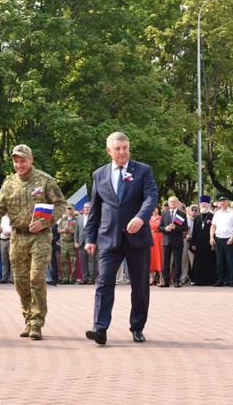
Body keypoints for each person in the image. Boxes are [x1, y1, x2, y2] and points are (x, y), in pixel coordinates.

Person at [84, 132, 158, 346]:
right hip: (109, 238)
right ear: (109, 151)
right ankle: (100, 329)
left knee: (140, 286)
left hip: (138, 237)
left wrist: (141, 218)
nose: (122, 152)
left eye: (125, 147)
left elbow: (151, 197)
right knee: (104, 283)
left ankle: (137, 326)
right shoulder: (99, 174)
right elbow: (95, 209)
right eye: (117, 148)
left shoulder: (143, 171)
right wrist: (90, 237)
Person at [0, 145, 66, 341]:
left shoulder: (44, 180)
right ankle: (28, 319)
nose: (19, 164)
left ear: (31, 160)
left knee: (36, 277)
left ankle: (37, 322)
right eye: (16, 161)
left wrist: (45, 222)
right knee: (21, 281)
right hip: (17, 237)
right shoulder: (9, 184)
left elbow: (60, 204)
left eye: (22, 160)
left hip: (40, 237)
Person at [210, 193, 233, 287]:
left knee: (230, 261)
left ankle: (231, 280)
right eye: (221, 201)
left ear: (228, 201)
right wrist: (211, 237)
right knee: (219, 261)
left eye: (224, 201)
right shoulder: (217, 213)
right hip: (218, 238)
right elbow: (213, 226)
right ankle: (220, 280)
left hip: (228, 238)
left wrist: (232, 238)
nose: (222, 203)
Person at [159, 197, 188, 288]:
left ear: (177, 203)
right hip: (166, 241)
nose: (172, 203)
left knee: (177, 262)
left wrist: (176, 228)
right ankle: (166, 281)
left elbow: (185, 228)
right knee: (165, 262)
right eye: (171, 202)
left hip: (177, 241)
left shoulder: (182, 214)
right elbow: (160, 227)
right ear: (168, 203)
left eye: (174, 202)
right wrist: (165, 229)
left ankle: (177, 281)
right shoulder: (164, 214)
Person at [191, 197, 217, 286]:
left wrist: (213, 242)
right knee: (199, 261)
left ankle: (210, 280)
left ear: (208, 205)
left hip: (209, 243)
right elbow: (194, 232)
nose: (204, 205)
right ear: (200, 206)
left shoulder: (213, 216)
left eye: (205, 204)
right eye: (202, 204)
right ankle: (199, 280)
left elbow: (215, 230)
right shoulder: (197, 218)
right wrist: (193, 243)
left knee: (210, 261)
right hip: (199, 243)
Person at [76, 202, 97, 285]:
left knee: (92, 261)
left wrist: (95, 242)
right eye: (85, 207)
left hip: (91, 242)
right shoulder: (79, 218)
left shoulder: (94, 217)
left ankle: (92, 278)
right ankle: (85, 278)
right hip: (81, 243)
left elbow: (97, 230)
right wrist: (76, 241)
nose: (86, 209)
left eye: (88, 207)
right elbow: (77, 231)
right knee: (83, 261)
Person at [58, 206, 78, 284]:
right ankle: (65, 278)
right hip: (64, 243)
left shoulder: (77, 220)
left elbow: (78, 231)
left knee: (73, 261)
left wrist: (69, 231)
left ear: (74, 210)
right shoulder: (63, 220)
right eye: (68, 209)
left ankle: (72, 279)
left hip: (72, 242)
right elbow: (58, 230)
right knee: (64, 261)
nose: (69, 211)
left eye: (71, 209)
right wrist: (63, 230)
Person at [149, 208, 163, 286]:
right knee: (151, 258)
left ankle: (161, 278)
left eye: (155, 208)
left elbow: (162, 228)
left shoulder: (161, 218)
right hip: (150, 240)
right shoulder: (148, 218)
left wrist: (155, 230)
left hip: (159, 240)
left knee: (159, 258)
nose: (154, 210)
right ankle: (152, 278)